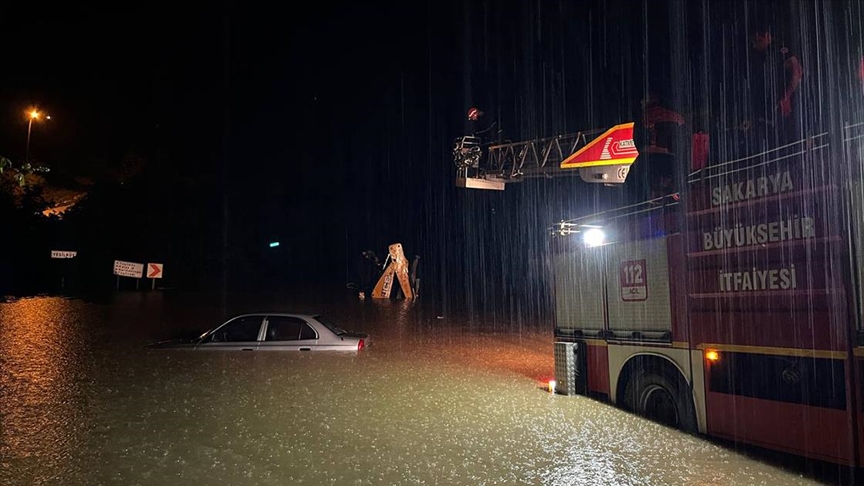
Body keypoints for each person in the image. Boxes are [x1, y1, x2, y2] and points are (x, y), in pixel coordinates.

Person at [747, 25, 803, 151]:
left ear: (767, 36)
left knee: (790, 140)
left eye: (758, 41)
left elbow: (797, 71)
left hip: (788, 103)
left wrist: (786, 96)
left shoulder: (779, 48)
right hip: (771, 105)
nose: (755, 45)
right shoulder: (759, 54)